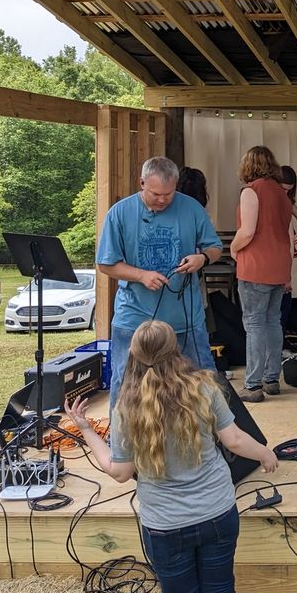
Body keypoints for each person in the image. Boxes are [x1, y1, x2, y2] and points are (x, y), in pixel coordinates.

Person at [65, 320, 277, 593]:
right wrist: (265, 454)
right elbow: (234, 440)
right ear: (175, 349)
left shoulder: (126, 406)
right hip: (217, 512)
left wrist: (87, 430)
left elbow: (119, 472)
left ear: (133, 355)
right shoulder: (204, 386)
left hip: (165, 525)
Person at [97, 156, 222, 411]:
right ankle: (120, 443)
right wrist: (141, 275)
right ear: (141, 183)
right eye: (156, 194)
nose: (163, 199)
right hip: (134, 318)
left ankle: (216, 437)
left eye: (169, 193)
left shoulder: (192, 208)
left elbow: (215, 248)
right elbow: (106, 264)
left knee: (204, 376)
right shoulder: (120, 213)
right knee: (124, 381)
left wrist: (202, 258)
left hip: (185, 317)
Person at [230, 146, 294, 402]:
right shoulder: (282, 193)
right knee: (272, 322)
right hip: (279, 266)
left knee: (254, 325)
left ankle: (253, 384)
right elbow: (292, 229)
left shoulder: (251, 191)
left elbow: (247, 232)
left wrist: (232, 249)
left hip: (255, 265)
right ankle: (271, 379)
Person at [277, 166, 297, 331]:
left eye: (289, 191)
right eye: (282, 189)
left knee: (285, 300)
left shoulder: (287, 200)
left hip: (284, 255)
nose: (285, 193)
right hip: (274, 256)